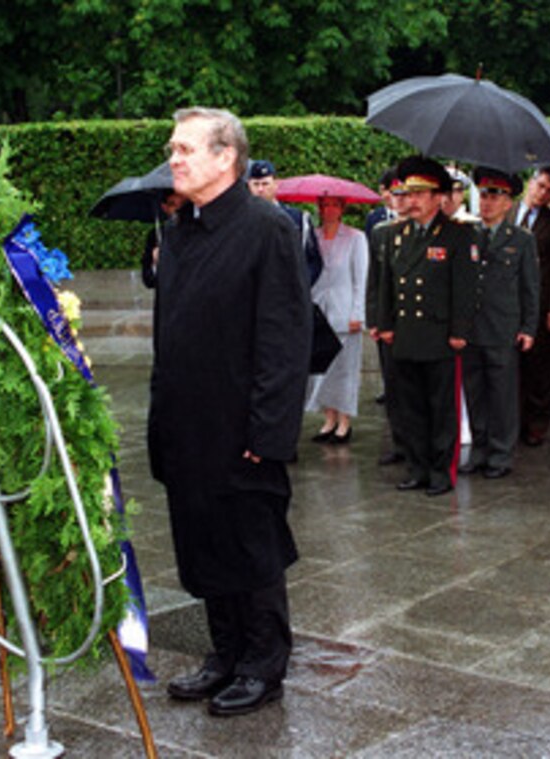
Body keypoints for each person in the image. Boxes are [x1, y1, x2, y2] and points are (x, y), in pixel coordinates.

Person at [150, 107, 312, 717]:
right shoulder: (179, 232)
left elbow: (284, 339)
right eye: (173, 148)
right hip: (187, 428)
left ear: (227, 157)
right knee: (203, 547)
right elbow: (171, 337)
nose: (175, 158)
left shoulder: (268, 228)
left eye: (187, 149)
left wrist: (269, 432)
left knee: (252, 549)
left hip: (243, 431)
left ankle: (262, 664)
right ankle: (223, 655)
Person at [376, 156, 477, 496]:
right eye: (409, 192)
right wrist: (385, 324)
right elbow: (387, 284)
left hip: (439, 336)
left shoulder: (457, 235)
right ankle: (417, 467)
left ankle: (440, 471)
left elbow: (464, 287)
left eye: (421, 193)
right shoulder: (397, 236)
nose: (412, 200)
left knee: (441, 408)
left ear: (439, 197)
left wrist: (459, 331)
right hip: (405, 335)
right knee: (410, 406)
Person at [458, 167, 539, 479]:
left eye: (495, 196)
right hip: (472, 330)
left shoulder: (520, 240)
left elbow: (530, 288)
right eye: (483, 195)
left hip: (503, 329)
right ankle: (479, 450)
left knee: (502, 396)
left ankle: (501, 454)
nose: (487, 202)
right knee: (475, 393)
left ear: (509, 203)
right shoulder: (467, 235)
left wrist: (528, 328)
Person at [513, 165, 550, 446]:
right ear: (530, 182)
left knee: (539, 366)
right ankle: (513, 420)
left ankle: (536, 423)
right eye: (541, 185)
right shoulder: (508, 211)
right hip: (508, 301)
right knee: (511, 365)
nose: (543, 193)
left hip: (540, 300)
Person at [307, 196, 369, 444]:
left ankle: (345, 422)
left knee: (345, 370)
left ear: (342, 208)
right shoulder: (312, 236)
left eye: (334, 205)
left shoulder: (356, 238)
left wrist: (358, 313)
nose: (329, 210)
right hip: (319, 312)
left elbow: (361, 279)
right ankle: (329, 418)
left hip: (345, 313)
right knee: (321, 370)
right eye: (324, 205)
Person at [366, 176, 408, 466]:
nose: (401, 200)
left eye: (407, 194)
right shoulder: (381, 232)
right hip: (388, 321)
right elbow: (375, 281)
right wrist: (374, 319)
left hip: (415, 323)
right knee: (393, 387)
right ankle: (400, 441)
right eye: (396, 194)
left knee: (414, 387)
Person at [248, 159, 323, 285]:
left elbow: (313, 261)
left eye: (265, 184)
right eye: (256, 184)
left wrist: (300, 288)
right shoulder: (240, 219)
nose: (260, 189)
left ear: (276, 184)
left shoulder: (297, 220)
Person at [139, 191, 185, 288]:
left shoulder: (198, 232)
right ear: (165, 207)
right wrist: (156, 264)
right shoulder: (156, 235)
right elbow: (149, 281)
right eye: (173, 205)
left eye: (182, 205)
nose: (178, 209)